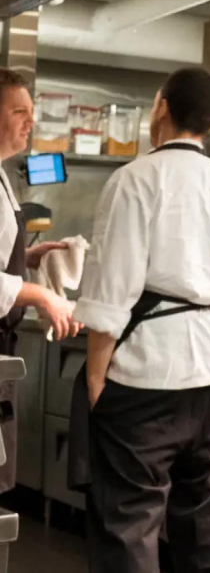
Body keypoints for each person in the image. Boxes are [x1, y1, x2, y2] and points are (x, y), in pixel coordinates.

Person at [71, 67, 210, 573]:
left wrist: (97, 374)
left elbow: (110, 286)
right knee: (204, 528)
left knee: (128, 525)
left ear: (161, 108)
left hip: (145, 377)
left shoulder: (133, 180)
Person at [0, 69, 81, 493]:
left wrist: (26, 259)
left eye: (32, 113)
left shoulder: (3, 176)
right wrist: (40, 294)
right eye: (19, 112)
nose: (30, 122)